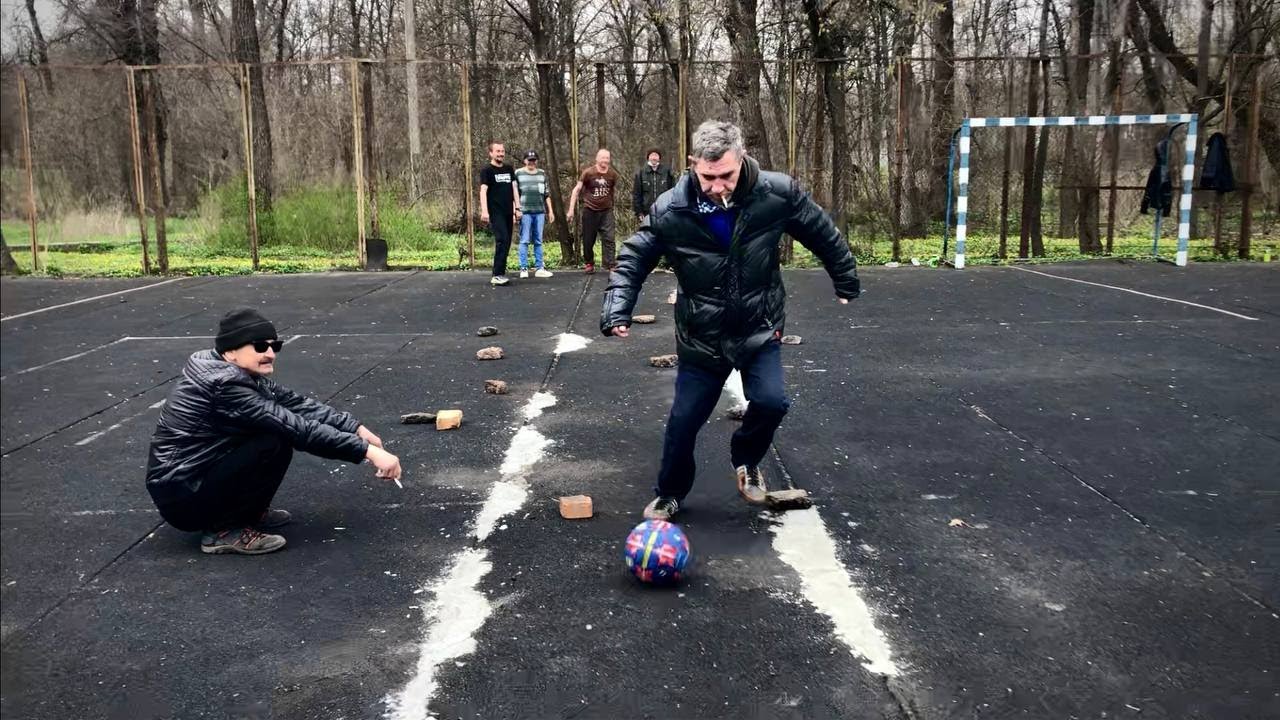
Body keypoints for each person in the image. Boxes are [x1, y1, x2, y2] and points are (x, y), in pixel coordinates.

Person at [600, 120, 860, 520]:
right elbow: (634, 257)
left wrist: (844, 278)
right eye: (708, 177)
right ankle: (670, 491)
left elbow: (821, 231)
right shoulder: (671, 208)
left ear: (741, 159)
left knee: (772, 402)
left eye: (726, 175)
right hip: (702, 335)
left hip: (758, 326)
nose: (718, 186)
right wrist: (618, 308)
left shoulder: (776, 193)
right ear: (692, 164)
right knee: (684, 421)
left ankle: (747, 459)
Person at [145, 309, 403, 555]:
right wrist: (367, 452)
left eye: (274, 346)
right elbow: (297, 428)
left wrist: (354, 427)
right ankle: (223, 531)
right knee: (272, 440)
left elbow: (295, 403)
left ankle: (248, 513)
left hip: (191, 481)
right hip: (183, 495)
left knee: (273, 440)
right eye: (259, 346)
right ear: (231, 351)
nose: (270, 353)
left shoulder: (231, 370)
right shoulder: (225, 384)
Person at [567, 148, 619, 274]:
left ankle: (609, 263)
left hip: (606, 211)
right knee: (588, 239)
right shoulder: (588, 173)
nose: (605, 161)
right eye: (603, 158)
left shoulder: (612, 175)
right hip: (590, 210)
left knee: (609, 238)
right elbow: (576, 190)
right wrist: (571, 210)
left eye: (607, 158)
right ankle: (589, 263)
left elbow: (613, 191)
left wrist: (612, 206)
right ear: (597, 159)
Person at [479, 141, 520, 286]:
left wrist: (517, 209)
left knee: (507, 242)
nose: (501, 154)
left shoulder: (509, 169)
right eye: (498, 151)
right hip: (495, 212)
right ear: (491, 153)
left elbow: (514, 189)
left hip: (509, 211)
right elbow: (483, 191)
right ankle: (496, 274)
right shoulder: (487, 170)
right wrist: (484, 211)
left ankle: (501, 272)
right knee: (501, 239)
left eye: (502, 151)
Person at [514, 149, 556, 279]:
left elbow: (546, 194)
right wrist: (516, 210)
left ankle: (539, 268)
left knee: (538, 240)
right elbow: (514, 194)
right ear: (525, 160)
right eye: (529, 160)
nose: (531, 162)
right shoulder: (518, 173)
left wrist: (550, 211)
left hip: (539, 211)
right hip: (525, 211)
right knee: (524, 240)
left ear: (536, 161)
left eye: (534, 160)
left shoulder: (542, 174)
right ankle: (524, 268)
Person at [632, 148, 675, 223]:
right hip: (647, 212)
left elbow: (673, 192)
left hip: (664, 211)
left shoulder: (667, 172)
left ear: (659, 158)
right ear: (648, 157)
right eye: (652, 155)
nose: (654, 158)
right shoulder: (641, 173)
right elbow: (637, 194)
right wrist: (639, 212)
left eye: (656, 155)